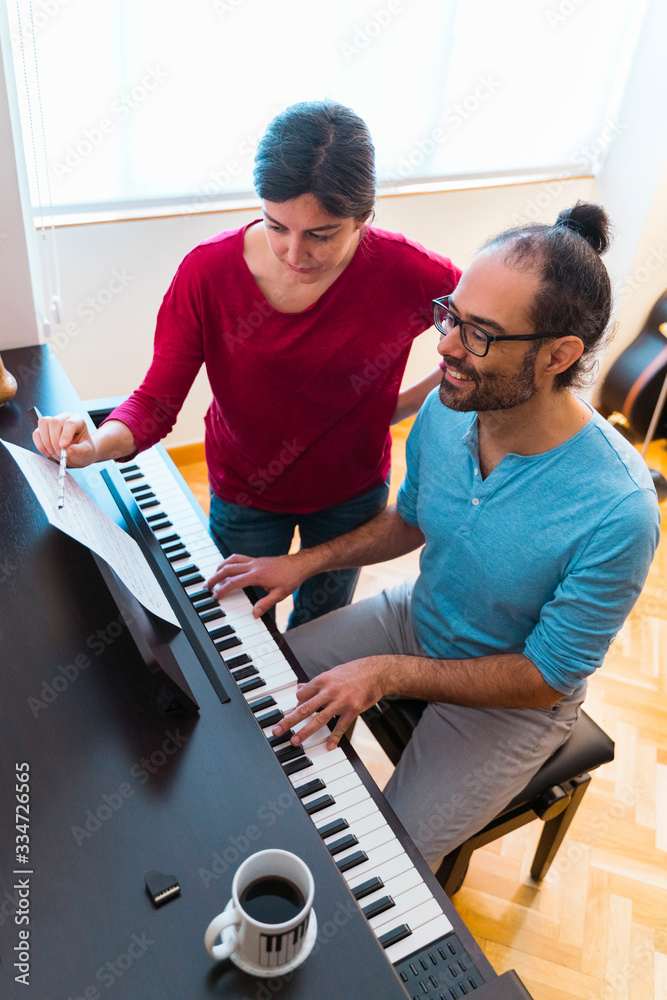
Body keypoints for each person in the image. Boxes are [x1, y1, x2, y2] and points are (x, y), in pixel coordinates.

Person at [206, 201, 661, 870]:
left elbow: (545, 677)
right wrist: (303, 564)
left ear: (558, 356)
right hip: (415, 619)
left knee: (374, 867)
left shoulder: (618, 510)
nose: (444, 346)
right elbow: (409, 520)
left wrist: (388, 672)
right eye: (451, 315)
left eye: (479, 334)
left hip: (512, 701)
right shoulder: (449, 410)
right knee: (247, 695)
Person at [32, 100, 460, 628]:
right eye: (276, 226)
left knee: (320, 630)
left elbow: (487, 335)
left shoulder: (409, 271)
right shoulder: (207, 273)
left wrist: (399, 407)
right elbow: (155, 402)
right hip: (246, 494)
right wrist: (95, 445)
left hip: (351, 497)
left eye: (321, 234)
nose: (294, 253)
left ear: (363, 219)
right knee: (245, 627)